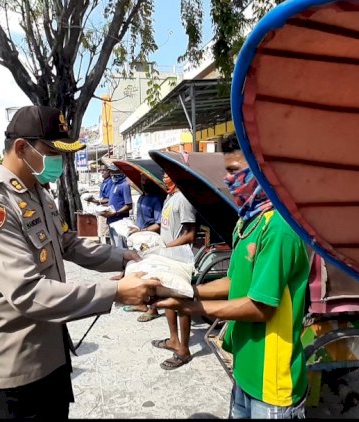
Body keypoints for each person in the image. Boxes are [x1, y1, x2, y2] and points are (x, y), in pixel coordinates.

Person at [0, 105, 159, 419]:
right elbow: (29, 292)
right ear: (22, 148)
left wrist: (122, 257)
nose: (60, 161)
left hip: (51, 352)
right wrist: (115, 291)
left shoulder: (39, 195)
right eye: (53, 151)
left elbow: (67, 243)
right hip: (15, 366)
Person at [155, 133, 310, 419]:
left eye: (237, 171)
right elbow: (234, 281)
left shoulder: (279, 229)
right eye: (228, 172)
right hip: (243, 367)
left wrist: (192, 307)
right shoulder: (247, 222)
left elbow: (260, 307)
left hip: (272, 382)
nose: (230, 181)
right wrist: (185, 290)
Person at [150, 172, 197, 369]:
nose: (164, 178)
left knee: (181, 300)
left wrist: (168, 248)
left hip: (180, 258)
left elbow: (190, 235)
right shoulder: (170, 196)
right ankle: (173, 339)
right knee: (167, 298)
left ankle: (184, 350)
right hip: (167, 256)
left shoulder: (184, 198)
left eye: (167, 175)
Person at [123, 174, 165, 322]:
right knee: (139, 272)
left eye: (146, 180)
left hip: (151, 242)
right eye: (141, 180)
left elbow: (158, 224)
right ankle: (141, 303)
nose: (143, 183)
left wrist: (141, 231)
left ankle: (153, 309)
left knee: (151, 274)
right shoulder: (141, 198)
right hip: (139, 240)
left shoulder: (156, 199)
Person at [101, 162, 132, 249]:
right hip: (111, 220)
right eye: (111, 172)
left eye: (115, 172)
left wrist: (116, 213)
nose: (113, 174)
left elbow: (129, 205)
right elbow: (112, 201)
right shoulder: (114, 184)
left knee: (121, 247)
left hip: (119, 221)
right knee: (114, 246)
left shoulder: (124, 185)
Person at [86, 165, 113, 244]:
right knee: (101, 232)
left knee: (105, 233)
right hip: (100, 209)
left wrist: (97, 201)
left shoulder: (110, 182)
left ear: (108, 171)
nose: (102, 172)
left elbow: (109, 199)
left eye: (104, 170)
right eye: (100, 170)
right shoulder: (104, 182)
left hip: (105, 209)